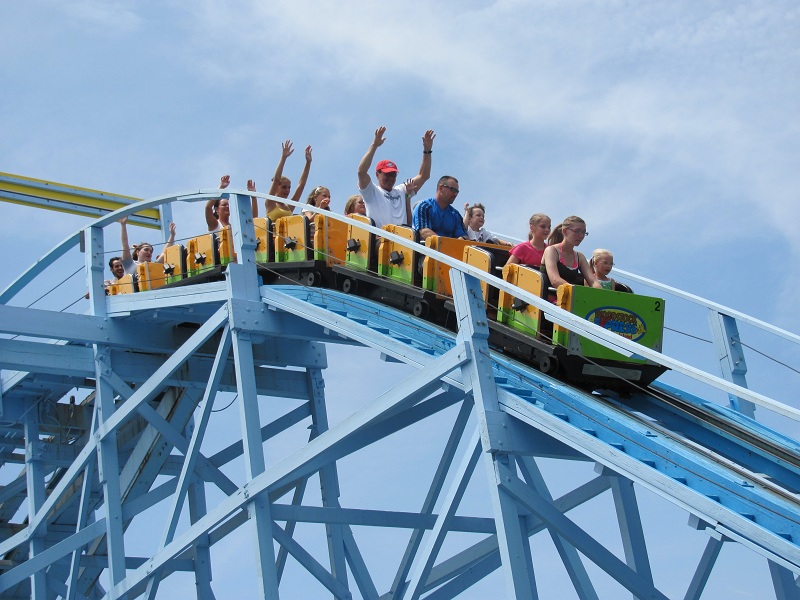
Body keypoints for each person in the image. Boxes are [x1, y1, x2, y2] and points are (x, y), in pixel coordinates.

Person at [357, 126, 435, 229]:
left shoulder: (402, 190)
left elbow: (423, 176)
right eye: (387, 174)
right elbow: (361, 172)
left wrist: (427, 150)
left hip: (401, 239)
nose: (390, 178)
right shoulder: (372, 192)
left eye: (393, 174)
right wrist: (374, 145)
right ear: (377, 174)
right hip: (381, 241)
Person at [542, 216, 602, 291]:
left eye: (583, 232)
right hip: (549, 298)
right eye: (577, 231)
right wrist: (577, 292)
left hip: (570, 298)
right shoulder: (551, 250)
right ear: (565, 231)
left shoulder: (580, 257)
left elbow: (593, 281)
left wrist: (602, 293)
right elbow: (555, 280)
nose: (581, 236)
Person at [265, 140, 312, 221]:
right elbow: (276, 180)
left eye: (289, 187)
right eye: (284, 187)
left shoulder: (289, 207)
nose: (287, 190)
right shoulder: (270, 203)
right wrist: (283, 157)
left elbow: (301, 185)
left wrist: (308, 163)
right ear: (276, 187)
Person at [412, 176, 467, 241]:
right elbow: (424, 232)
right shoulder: (424, 206)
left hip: (448, 250)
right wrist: (446, 245)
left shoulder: (455, 214)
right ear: (441, 188)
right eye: (453, 190)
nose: (455, 194)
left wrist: (462, 239)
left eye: (457, 191)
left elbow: (462, 236)